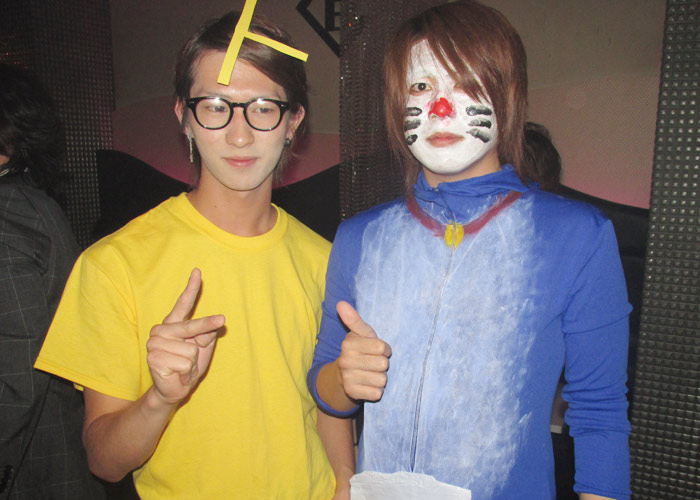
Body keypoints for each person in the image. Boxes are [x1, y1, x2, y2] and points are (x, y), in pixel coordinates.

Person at [308, 2, 631, 499]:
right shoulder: (360, 237)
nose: (441, 107)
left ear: (507, 95)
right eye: (421, 86)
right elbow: (325, 387)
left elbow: (600, 415)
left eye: (466, 83)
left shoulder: (577, 236)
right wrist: (343, 378)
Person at [34, 10, 353, 499]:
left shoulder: (326, 260)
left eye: (263, 108)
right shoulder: (113, 264)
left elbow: (324, 401)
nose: (240, 135)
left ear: (293, 121)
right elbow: (104, 461)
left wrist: (345, 482)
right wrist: (161, 398)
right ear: (184, 116)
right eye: (216, 106)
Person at [0, 63, 105, 499]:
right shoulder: (31, 201)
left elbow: (16, 371)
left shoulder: (7, 213)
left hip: (33, 466)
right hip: (59, 451)